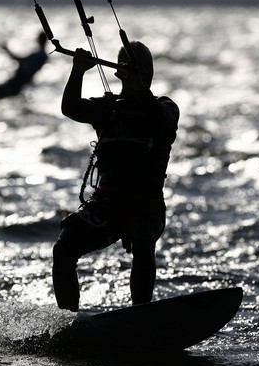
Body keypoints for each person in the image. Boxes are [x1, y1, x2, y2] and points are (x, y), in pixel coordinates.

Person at [52, 41, 180, 311]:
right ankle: (68, 323)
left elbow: (165, 124)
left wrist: (140, 90)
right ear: (119, 71)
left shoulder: (164, 107)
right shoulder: (108, 108)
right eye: (134, 68)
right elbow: (70, 107)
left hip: (146, 206)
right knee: (63, 248)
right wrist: (78, 71)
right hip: (107, 206)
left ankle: (140, 313)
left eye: (145, 69)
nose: (141, 73)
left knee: (144, 240)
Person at [0, 32, 48, 121]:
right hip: (17, 84)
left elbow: (20, 61)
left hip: (15, 84)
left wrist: (7, 50)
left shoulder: (39, 55)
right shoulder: (42, 56)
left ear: (39, 40)